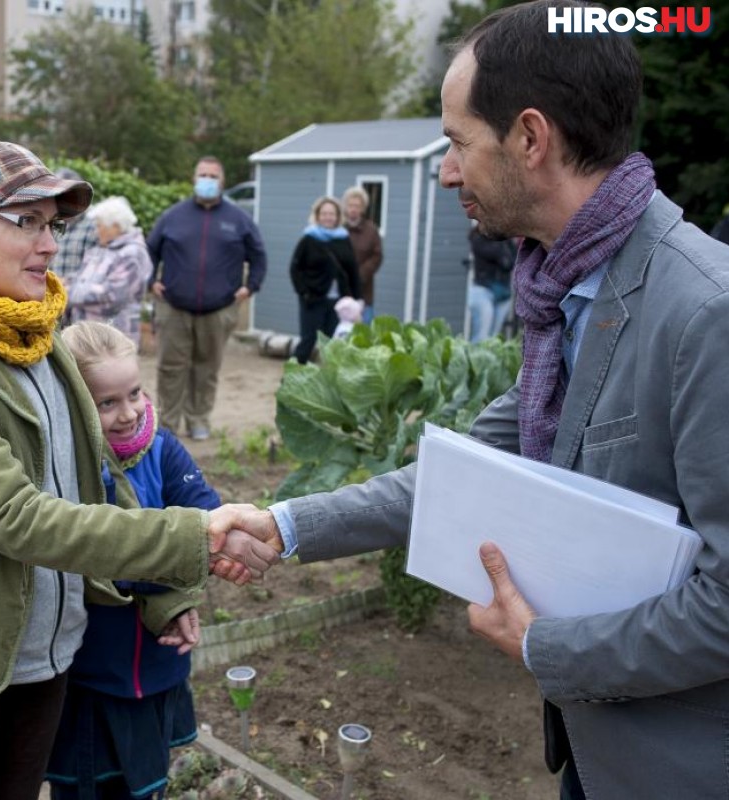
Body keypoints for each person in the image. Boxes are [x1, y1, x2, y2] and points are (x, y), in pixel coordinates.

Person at [227, 2, 729, 797]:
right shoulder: (564, 291)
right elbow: (461, 471)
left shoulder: (706, 312)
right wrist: (284, 525)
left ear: (531, 139)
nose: (446, 169)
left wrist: (543, 649)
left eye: (459, 142)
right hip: (597, 756)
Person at [0, 141, 276, 800]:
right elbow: (15, 517)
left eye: (53, 223)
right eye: (24, 221)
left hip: (47, 657)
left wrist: (167, 591)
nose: (51, 244)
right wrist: (195, 533)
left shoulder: (41, 338)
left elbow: (98, 485)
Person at [47, 320, 217, 800]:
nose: (128, 413)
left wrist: (189, 573)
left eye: (135, 394)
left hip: (159, 665)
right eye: (107, 402)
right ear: (75, 404)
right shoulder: (71, 468)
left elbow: (207, 520)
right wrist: (173, 592)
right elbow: (102, 558)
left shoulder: (161, 447)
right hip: (93, 671)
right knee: (86, 787)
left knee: (145, 785)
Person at [147, 156, 267, 440]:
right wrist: (151, 282)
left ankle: (199, 420)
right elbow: (149, 252)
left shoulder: (239, 220)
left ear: (222, 182)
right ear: (194, 179)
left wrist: (250, 287)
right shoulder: (173, 216)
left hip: (218, 310)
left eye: (213, 176)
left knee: (206, 369)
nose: (208, 180)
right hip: (174, 308)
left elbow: (259, 255)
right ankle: (167, 424)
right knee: (171, 368)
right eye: (203, 174)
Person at [66, 196, 153, 349]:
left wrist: (66, 292)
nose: (96, 231)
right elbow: (84, 278)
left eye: (100, 226)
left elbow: (113, 294)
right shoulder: (101, 249)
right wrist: (64, 281)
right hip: (90, 334)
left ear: (116, 226)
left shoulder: (133, 253)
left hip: (114, 338)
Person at [288, 196, 361, 364]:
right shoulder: (308, 239)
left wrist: (357, 299)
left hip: (338, 304)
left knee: (334, 345)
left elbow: (353, 271)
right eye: (324, 213)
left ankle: (328, 384)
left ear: (337, 216)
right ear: (318, 216)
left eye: (332, 214)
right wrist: (304, 292)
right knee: (308, 341)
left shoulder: (343, 239)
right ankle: (291, 380)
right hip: (313, 300)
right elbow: (294, 269)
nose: (328, 217)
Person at [466, 224, 516, 342]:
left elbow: (511, 261)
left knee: (493, 339)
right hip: (483, 291)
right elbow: (502, 258)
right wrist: (503, 243)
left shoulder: (506, 241)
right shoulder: (478, 239)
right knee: (481, 338)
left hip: (503, 293)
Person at [341, 186, 383, 323]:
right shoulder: (338, 228)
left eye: (357, 206)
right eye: (350, 205)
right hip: (340, 292)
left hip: (363, 292)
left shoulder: (371, 230)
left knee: (363, 334)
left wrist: (360, 274)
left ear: (363, 208)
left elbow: (377, 256)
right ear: (345, 207)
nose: (353, 209)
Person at [50, 168, 99, 279]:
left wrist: (68, 282)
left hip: (76, 293)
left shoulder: (94, 224)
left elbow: (95, 268)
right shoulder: (50, 221)